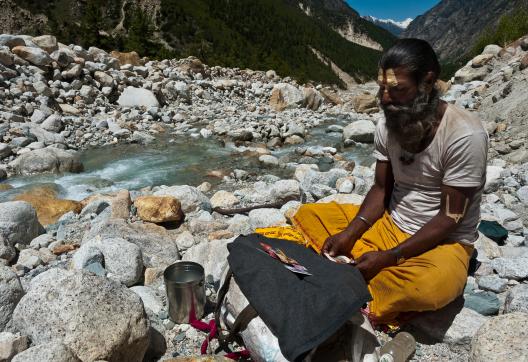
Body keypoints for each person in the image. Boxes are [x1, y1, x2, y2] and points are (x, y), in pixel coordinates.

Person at [260, 39, 489, 325]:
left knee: (430, 286)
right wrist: (351, 233)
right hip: (391, 223)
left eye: (398, 90)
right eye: (381, 88)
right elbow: (382, 189)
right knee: (309, 215)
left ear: (428, 82)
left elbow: (449, 218)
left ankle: (360, 286)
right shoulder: (387, 124)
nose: (385, 99)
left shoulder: (464, 135)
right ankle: (359, 276)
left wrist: (390, 257)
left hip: (444, 242)